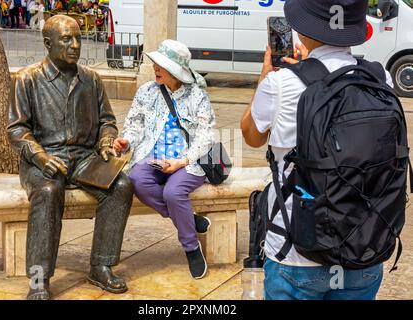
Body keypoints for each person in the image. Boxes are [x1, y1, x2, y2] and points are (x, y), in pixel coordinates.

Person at [241, 0, 393, 300]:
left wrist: (267, 73)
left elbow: (251, 136)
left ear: (304, 28)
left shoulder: (281, 83)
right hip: (364, 246)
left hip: (296, 252)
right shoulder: (380, 78)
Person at [7, 15, 133, 300]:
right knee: (49, 192)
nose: (75, 45)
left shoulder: (91, 79)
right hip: (44, 158)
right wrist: (39, 157)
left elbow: (107, 120)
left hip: (85, 157)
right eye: (67, 39)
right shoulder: (27, 79)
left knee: (121, 186)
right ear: (48, 43)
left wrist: (105, 141)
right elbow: (16, 129)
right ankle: (39, 279)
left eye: (77, 38)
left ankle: (101, 264)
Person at [113, 39, 215, 279]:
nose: (155, 68)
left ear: (176, 71)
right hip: (152, 156)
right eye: (155, 64)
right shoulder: (147, 91)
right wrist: (127, 141)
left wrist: (181, 162)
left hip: (187, 162)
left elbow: (206, 135)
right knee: (136, 179)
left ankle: (191, 247)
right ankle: (188, 220)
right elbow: (134, 125)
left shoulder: (197, 96)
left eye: (161, 65)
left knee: (172, 193)